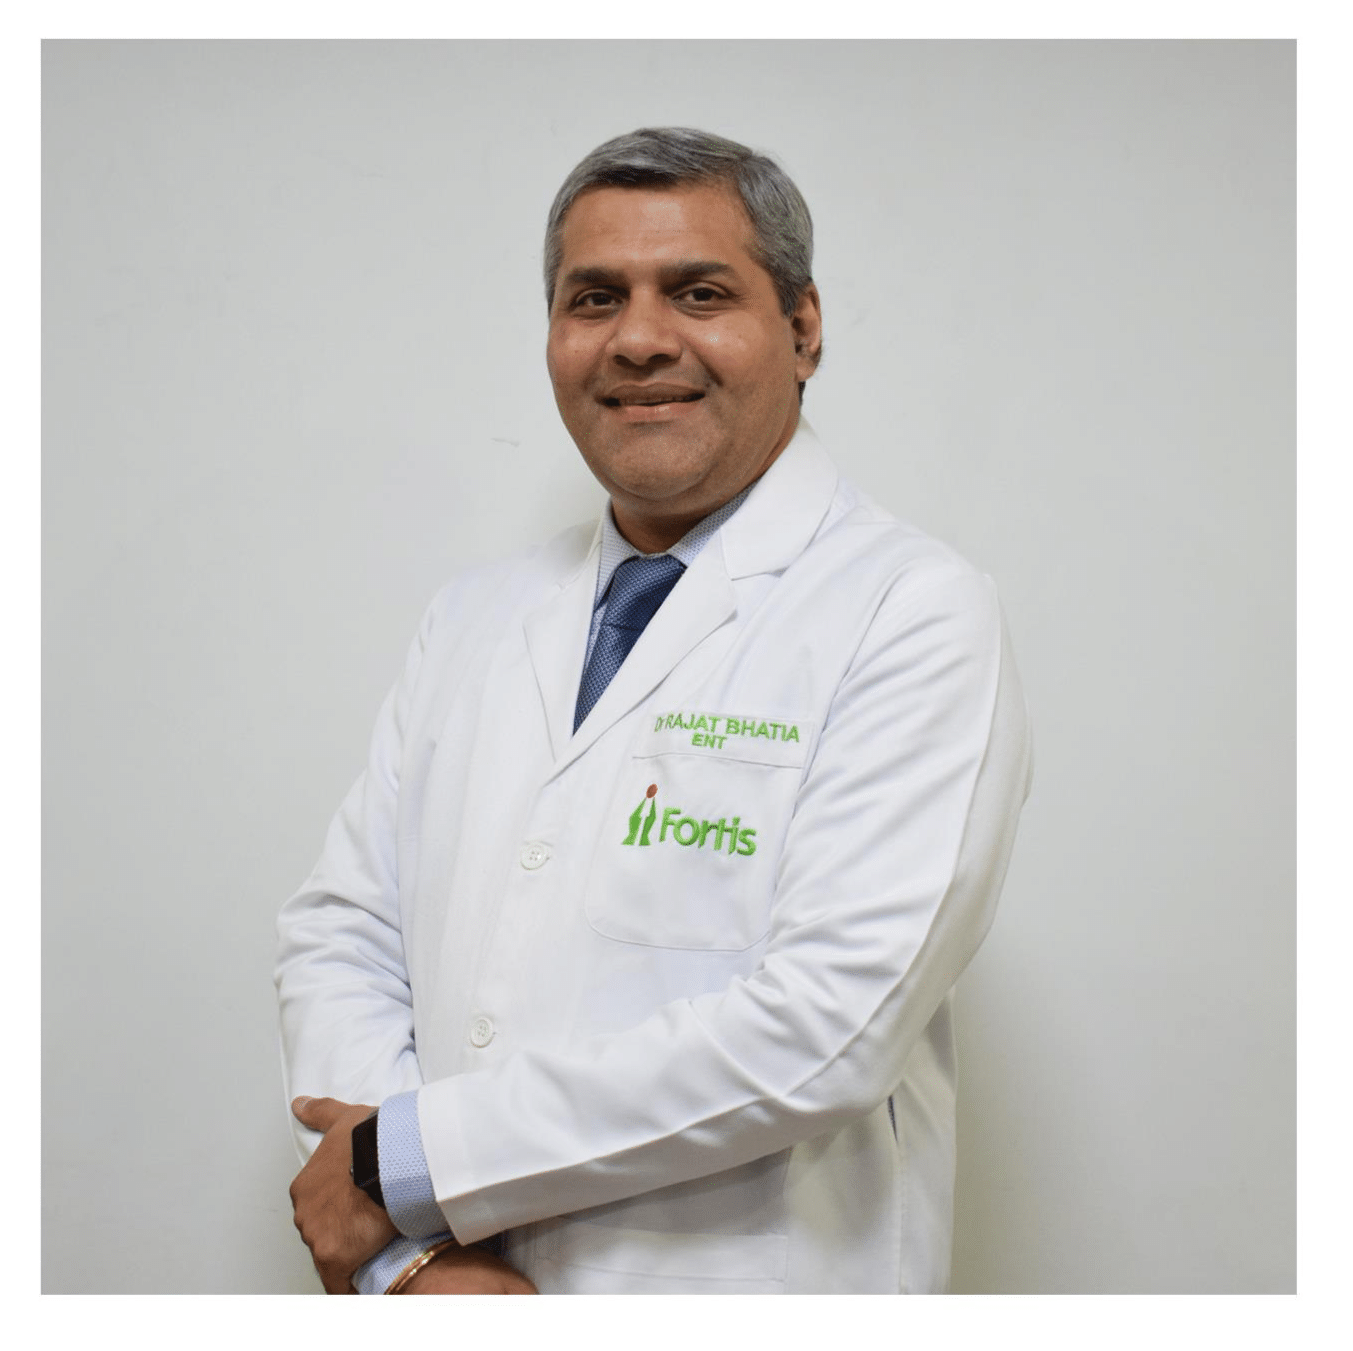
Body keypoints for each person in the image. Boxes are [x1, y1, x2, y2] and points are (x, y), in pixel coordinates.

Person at [276, 126, 1033, 1296]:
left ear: (802, 326)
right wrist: (413, 1259)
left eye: (697, 291)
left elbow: (828, 1026)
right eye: (593, 297)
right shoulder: (474, 616)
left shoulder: (910, 611)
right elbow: (343, 932)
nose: (637, 338)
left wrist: (405, 1164)